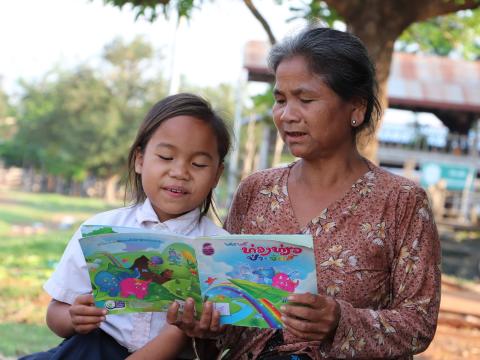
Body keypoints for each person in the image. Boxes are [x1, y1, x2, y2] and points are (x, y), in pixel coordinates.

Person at [183, 26, 441, 359]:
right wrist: (206, 325)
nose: (287, 115)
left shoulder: (401, 201)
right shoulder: (256, 190)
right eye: (280, 100)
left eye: (305, 100)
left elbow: (419, 323)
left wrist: (340, 321)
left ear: (356, 108)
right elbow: (230, 310)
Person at [22, 93, 231, 360]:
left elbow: (218, 339)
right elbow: (56, 313)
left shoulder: (219, 250)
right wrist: (74, 317)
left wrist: (201, 328)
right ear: (140, 160)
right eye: (166, 157)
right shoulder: (100, 230)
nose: (180, 171)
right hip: (93, 350)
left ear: (216, 175)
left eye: (198, 164)